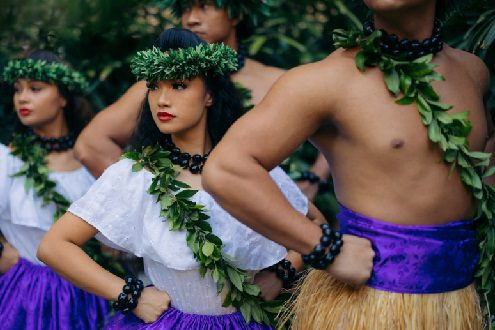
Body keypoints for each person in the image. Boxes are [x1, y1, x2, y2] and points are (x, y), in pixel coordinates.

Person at [203, 0, 493, 328]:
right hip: (370, 306)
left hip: (458, 303)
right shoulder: (327, 81)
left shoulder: (473, 73)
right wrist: (325, 248)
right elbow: (228, 169)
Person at [38, 28, 323, 329]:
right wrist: (130, 295)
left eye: (178, 85)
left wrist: (281, 274)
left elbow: (315, 224)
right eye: (153, 86)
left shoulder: (248, 169)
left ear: (210, 94)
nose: (161, 100)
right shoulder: (136, 174)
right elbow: (55, 245)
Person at [74, 0, 285, 177]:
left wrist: (312, 179)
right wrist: (153, 195)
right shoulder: (156, 88)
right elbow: (90, 145)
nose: (191, 19)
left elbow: (316, 124)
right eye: (185, 8)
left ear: (236, 14)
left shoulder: (276, 81)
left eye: (204, 6)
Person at [0, 50, 109, 329]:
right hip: (23, 292)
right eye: (18, 90)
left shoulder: (90, 160)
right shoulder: (7, 160)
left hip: (88, 290)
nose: (22, 98)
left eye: (35, 89)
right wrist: (5, 257)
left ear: (62, 97)